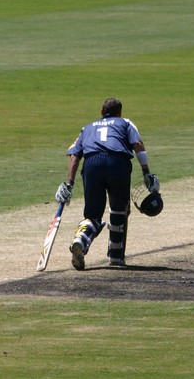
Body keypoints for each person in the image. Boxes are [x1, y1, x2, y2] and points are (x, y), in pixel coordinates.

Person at [54, 98, 159, 270]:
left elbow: (74, 155)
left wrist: (69, 183)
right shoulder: (125, 122)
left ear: (101, 112)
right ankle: (116, 257)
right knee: (119, 210)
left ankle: (80, 240)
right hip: (117, 163)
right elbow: (137, 144)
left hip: (92, 164)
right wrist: (146, 171)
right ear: (120, 113)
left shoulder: (87, 127)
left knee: (93, 215)